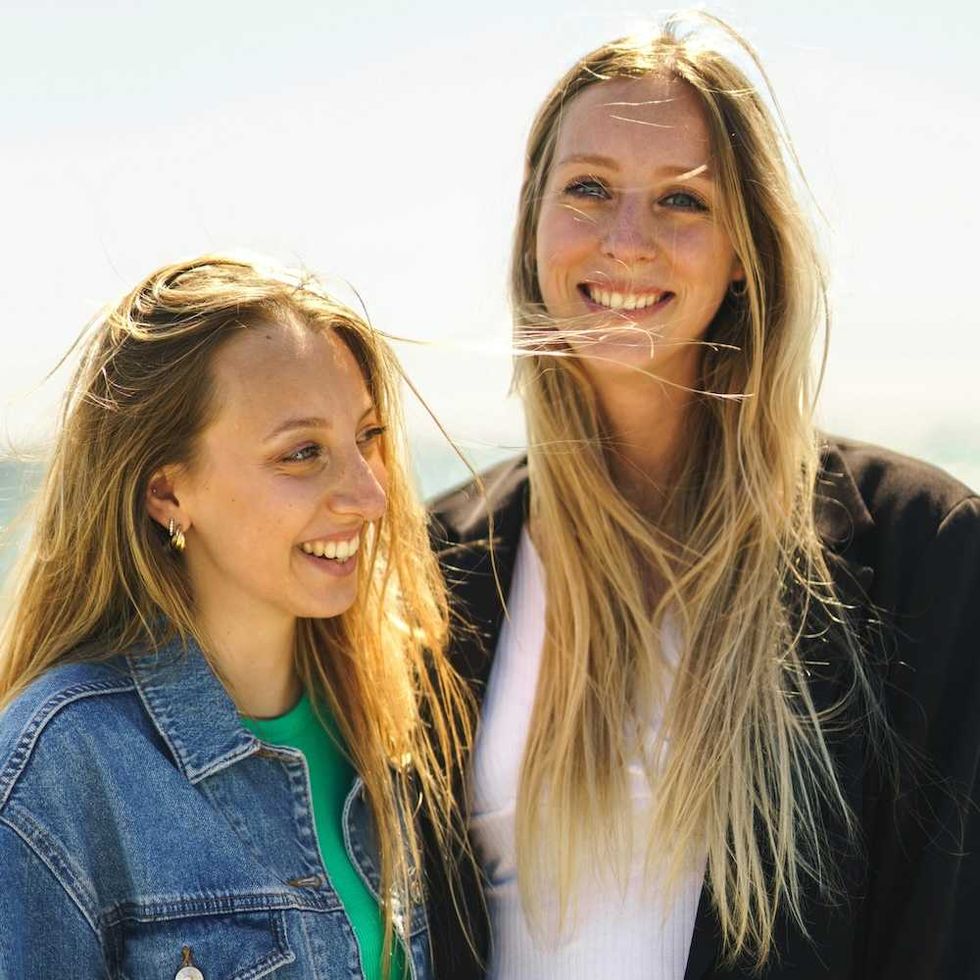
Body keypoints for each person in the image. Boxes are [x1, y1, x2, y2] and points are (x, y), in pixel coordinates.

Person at [426, 13, 980, 980]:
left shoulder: (926, 551)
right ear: (533, 232)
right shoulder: (436, 567)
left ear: (745, 252)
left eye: (683, 201)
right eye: (589, 189)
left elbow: (947, 923)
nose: (628, 240)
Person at [0, 255, 472, 979]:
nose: (369, 496)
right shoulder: (62, 767)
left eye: (368, 438)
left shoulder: (386, 723)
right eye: (303, 453)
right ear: (166, 493)